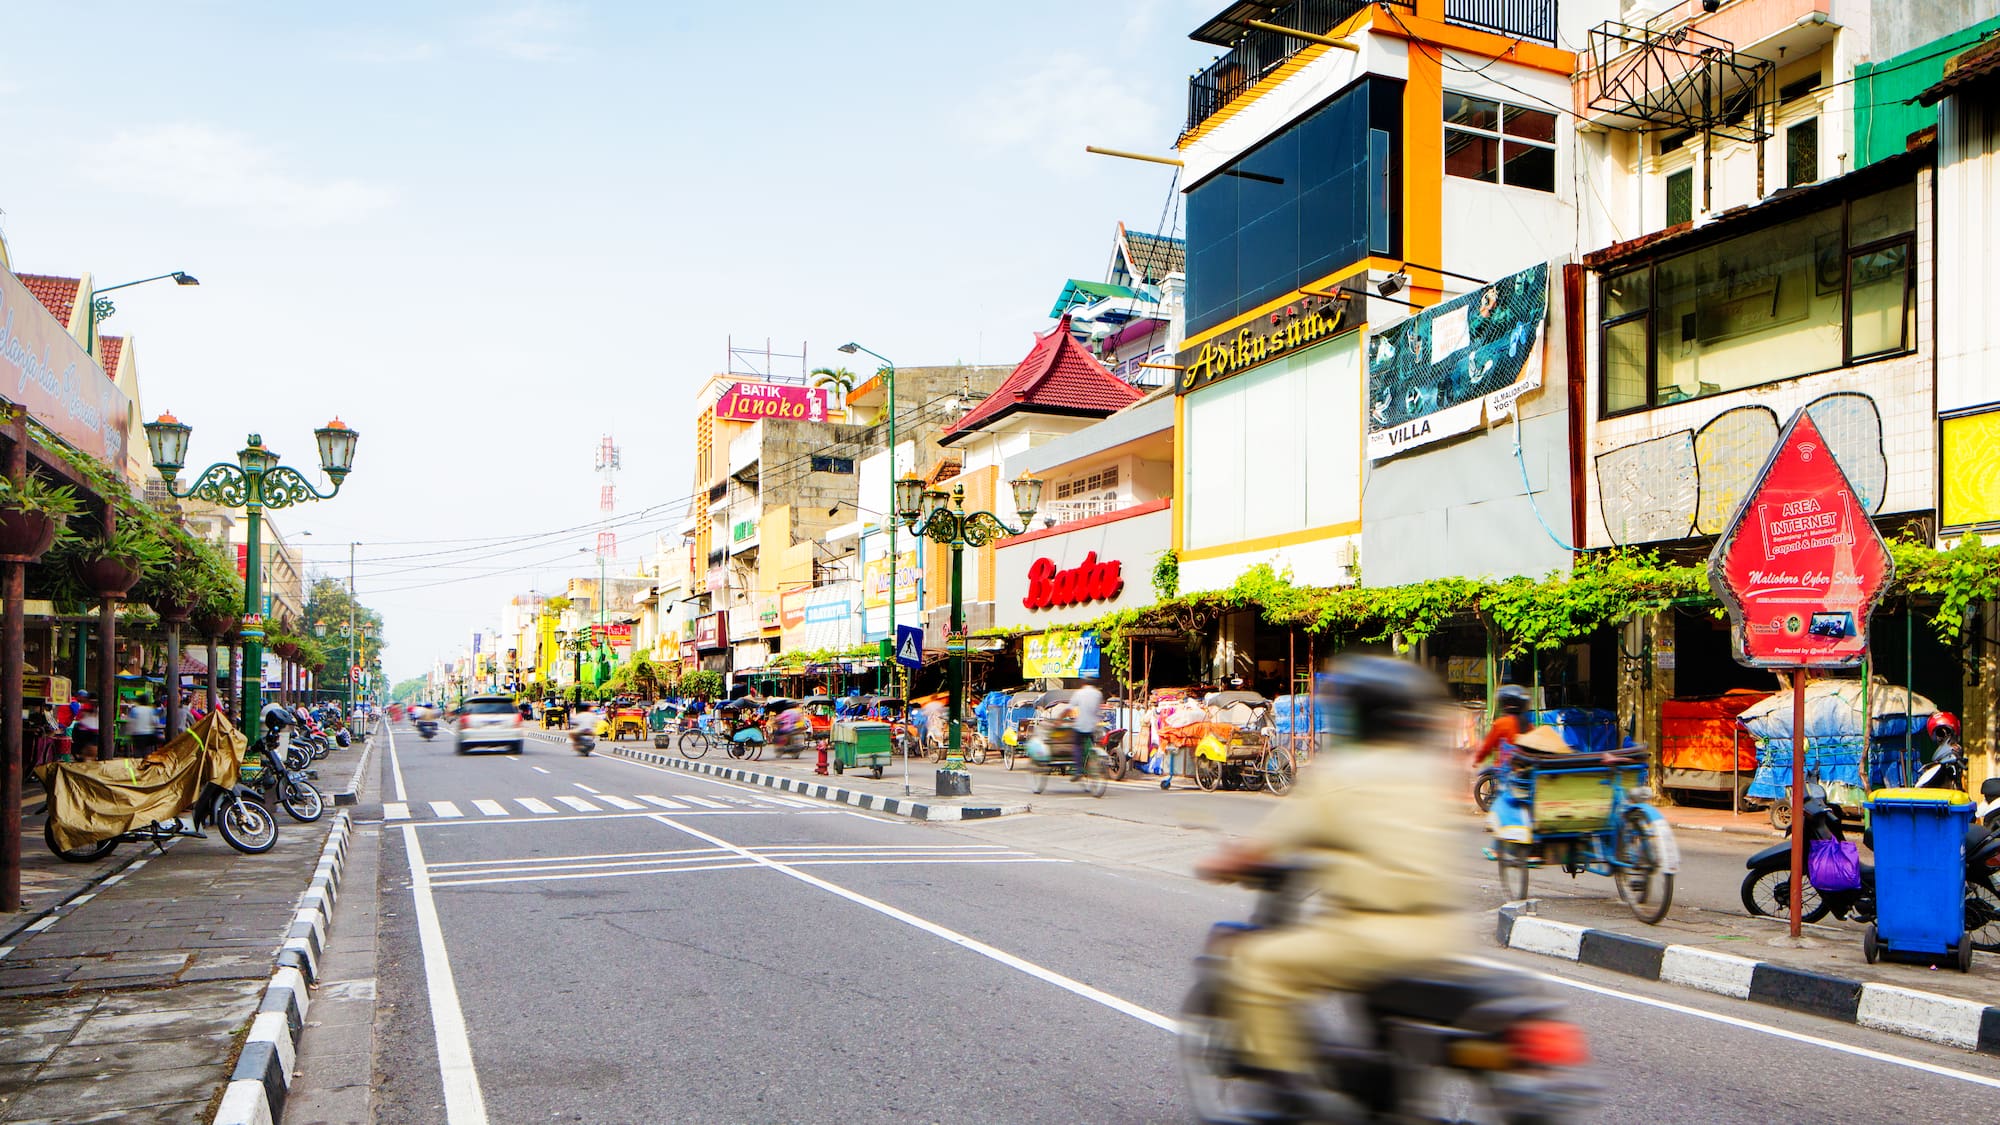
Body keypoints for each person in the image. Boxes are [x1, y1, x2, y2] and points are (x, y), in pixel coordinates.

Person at [1196, 654, 1464, 1118]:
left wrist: (1222, 862)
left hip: (1370, 936)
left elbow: (1268, 846)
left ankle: (1292, 1097)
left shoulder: (1342, 773)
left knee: (1257, 967)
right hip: (1441, 935)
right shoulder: (1429, 771)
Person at [1471, 684, 1532, 771]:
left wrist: (1478, 760)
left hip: (1506, 770)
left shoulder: (1501, 723)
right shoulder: (1529, 725)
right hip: (1526, 768)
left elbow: (1488, 746)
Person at [1069, 676, 1104, 778]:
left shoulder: (1079, 693)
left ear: (1083, 683)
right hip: (1094, 726)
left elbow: (1069, 708)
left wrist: (1060, 719)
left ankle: (1078, 770)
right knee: (1094, 744)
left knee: (1077, 746)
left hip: (1081, 725)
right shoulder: (1098, 694)